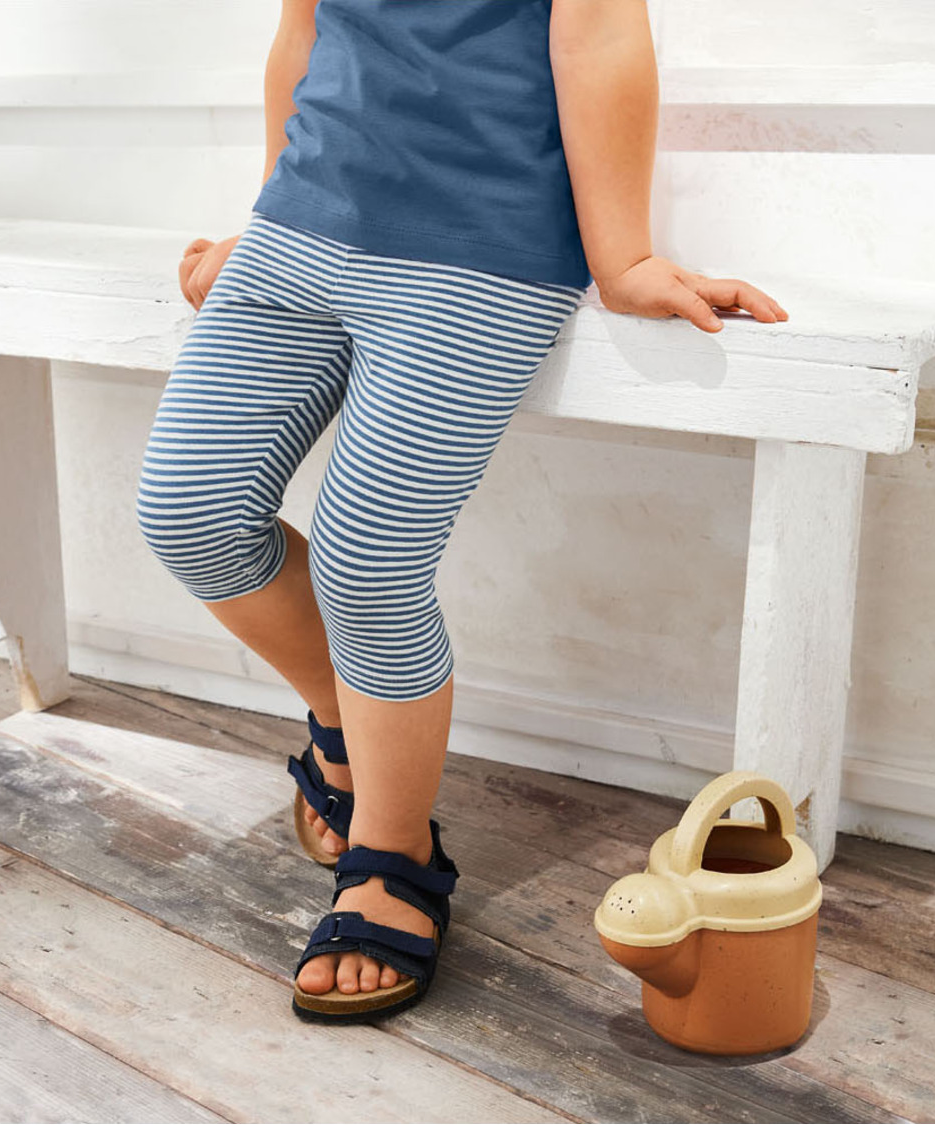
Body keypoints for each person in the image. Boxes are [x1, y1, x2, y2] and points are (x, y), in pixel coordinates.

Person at [136, 0, 788, 1024]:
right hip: (299, 229)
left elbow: (600, 34)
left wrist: (622, 259)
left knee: (368, 562)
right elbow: (302, 32)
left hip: (483, 253)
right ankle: (347, 730)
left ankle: (393, 852)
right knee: (188, 509)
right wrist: (266, 214)